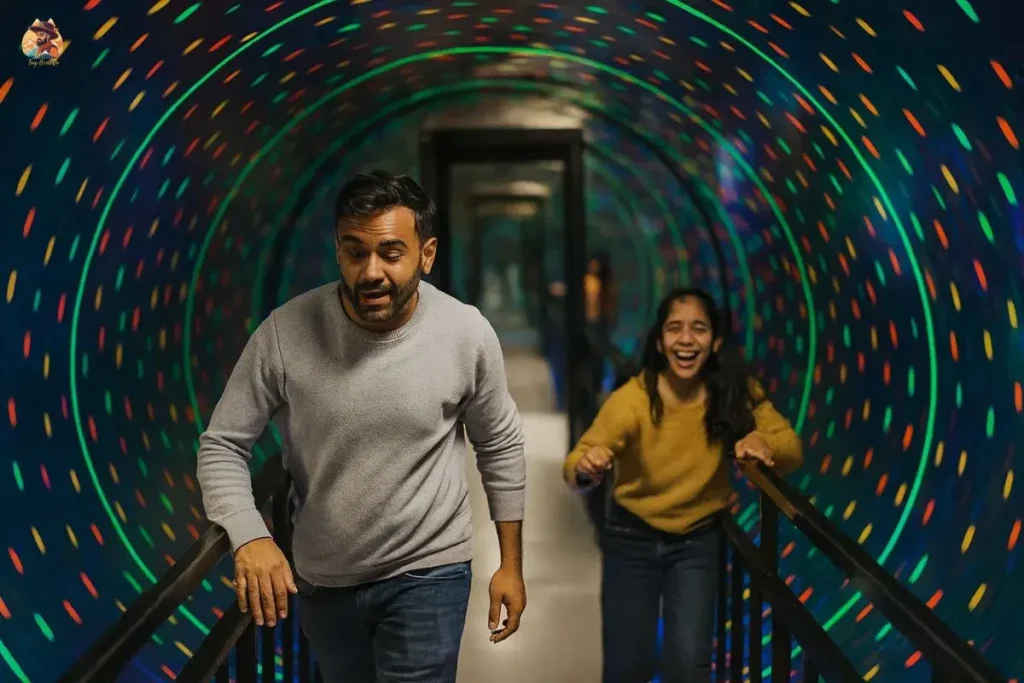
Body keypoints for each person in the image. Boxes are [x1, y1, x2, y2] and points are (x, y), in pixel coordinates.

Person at [196, 171, 528, 683]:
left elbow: (499, 443)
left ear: (427, 254)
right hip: (326, 581)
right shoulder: (285, 334)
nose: (370, 271)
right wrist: (248, 535)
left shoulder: (465, 332)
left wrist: (510, 563)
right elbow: (222, 445)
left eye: (391, 253)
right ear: (338, 253)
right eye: (355, 253)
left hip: (429, 572)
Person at [563, 287, 803, 683]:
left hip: (696, 542)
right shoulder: (634, 399)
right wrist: (589, 465)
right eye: (675, 329)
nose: (687, 340)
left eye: (699, 329)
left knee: (689, 663)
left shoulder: (734, 393)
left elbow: (790, 448)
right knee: (628, 665)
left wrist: (764, 443)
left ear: (716, 341)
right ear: (660, 342)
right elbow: (576, 463)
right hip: (631, 537)